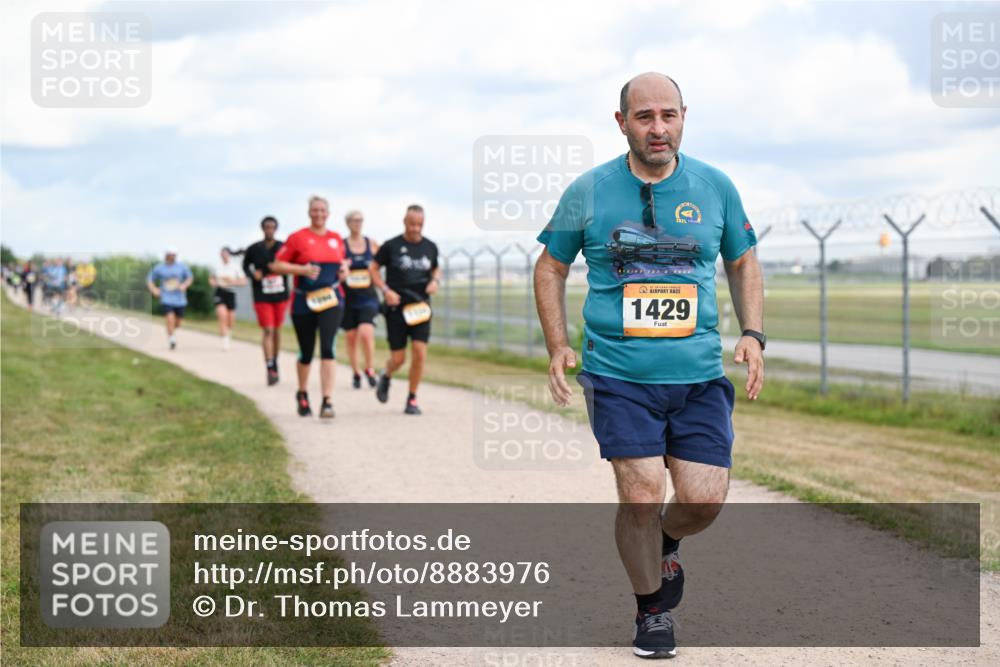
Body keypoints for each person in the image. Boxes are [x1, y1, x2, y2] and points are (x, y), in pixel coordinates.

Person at [534, 72, 765, 659]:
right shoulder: (589, 190)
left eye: (668, 115)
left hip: (698, 377)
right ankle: (652, 610)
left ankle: (664, 539)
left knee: (703, 499)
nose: (657, 128)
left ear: (684, 116)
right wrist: (558, 344)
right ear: (622, 123)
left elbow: (742, 260)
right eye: (644, 117)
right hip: (618, 374)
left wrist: (752, 333)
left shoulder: (715, 186)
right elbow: (551, 266)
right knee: (640, 491)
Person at [271, 196, 347, 419]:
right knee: (306, 351)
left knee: (328, 348)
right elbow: (277, 265)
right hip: (304, 301)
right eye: (315, 210)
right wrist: (301, 270)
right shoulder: (298, 238)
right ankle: (302, 393)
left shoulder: (335, 239)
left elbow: (342, 263)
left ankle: (327, 401)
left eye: (322, 210)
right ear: (309, 212)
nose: (319, 214)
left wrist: (344, 271)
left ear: (328, 213)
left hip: (331, 299)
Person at [370, 204, 440, 415]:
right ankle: (386, 374)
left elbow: (436, 267)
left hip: (421, 308)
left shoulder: (430, 247)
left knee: (419, 352)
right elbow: (373, 268)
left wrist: (435, 280)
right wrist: (385, 290)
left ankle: (412, 398)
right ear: (404, 222)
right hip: (397, 309)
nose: (416, 228)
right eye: (412, 224)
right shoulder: (391, 246)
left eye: (419, 224)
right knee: (398, 359)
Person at [243, 216, 290, 385]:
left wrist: (282, 269)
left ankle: (275, 360)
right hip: (262, 294)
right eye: (267, 227)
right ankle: (269, 366)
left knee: (277, 330)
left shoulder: (283, 247)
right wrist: (252, 274)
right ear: (262, 228)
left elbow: (292, 263)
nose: (269, 230)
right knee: (268, 330)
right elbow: (245, 266)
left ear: (276, 229)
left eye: (272, 227)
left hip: (280, 294)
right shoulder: (254, 249)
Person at [340, 210, 381, 389]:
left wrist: (375, 273)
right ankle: (356, 372)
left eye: (360, 220)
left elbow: (381, 264)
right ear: (347, 223)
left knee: (366, 332)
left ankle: (370, 369)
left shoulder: (371, 244)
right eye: (354, 220)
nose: (357, 223)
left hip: (368, 297)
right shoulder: (341, 246)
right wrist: (343, 269)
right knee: (351, 338)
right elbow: (336, 268)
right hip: (348, 298)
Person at [146, 247, 193, 350]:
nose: (173, 257)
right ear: (167, 255)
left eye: (174, 255)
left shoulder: (182, 266)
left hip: (180, 299)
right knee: (170, 318)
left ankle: (170, 329)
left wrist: (184, 285)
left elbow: (190, 278)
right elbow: (150, 280)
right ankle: (172, 339)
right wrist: (154, 290)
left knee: (178, 323)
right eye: (171, 255)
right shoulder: (159, 268)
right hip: (166, 297)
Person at [209, 247, 247, 350]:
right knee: (222, 316)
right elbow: (212, 278)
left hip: (231, 292)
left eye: (226, 253)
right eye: (223, 253)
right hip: (220, 292)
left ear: (229, 254)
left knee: (230, 319)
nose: (224, 255)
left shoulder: (235, 266)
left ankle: (227, 333)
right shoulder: (216, 265)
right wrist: (214, 283)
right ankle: (225, 341)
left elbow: (243, 281)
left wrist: (232, 281)